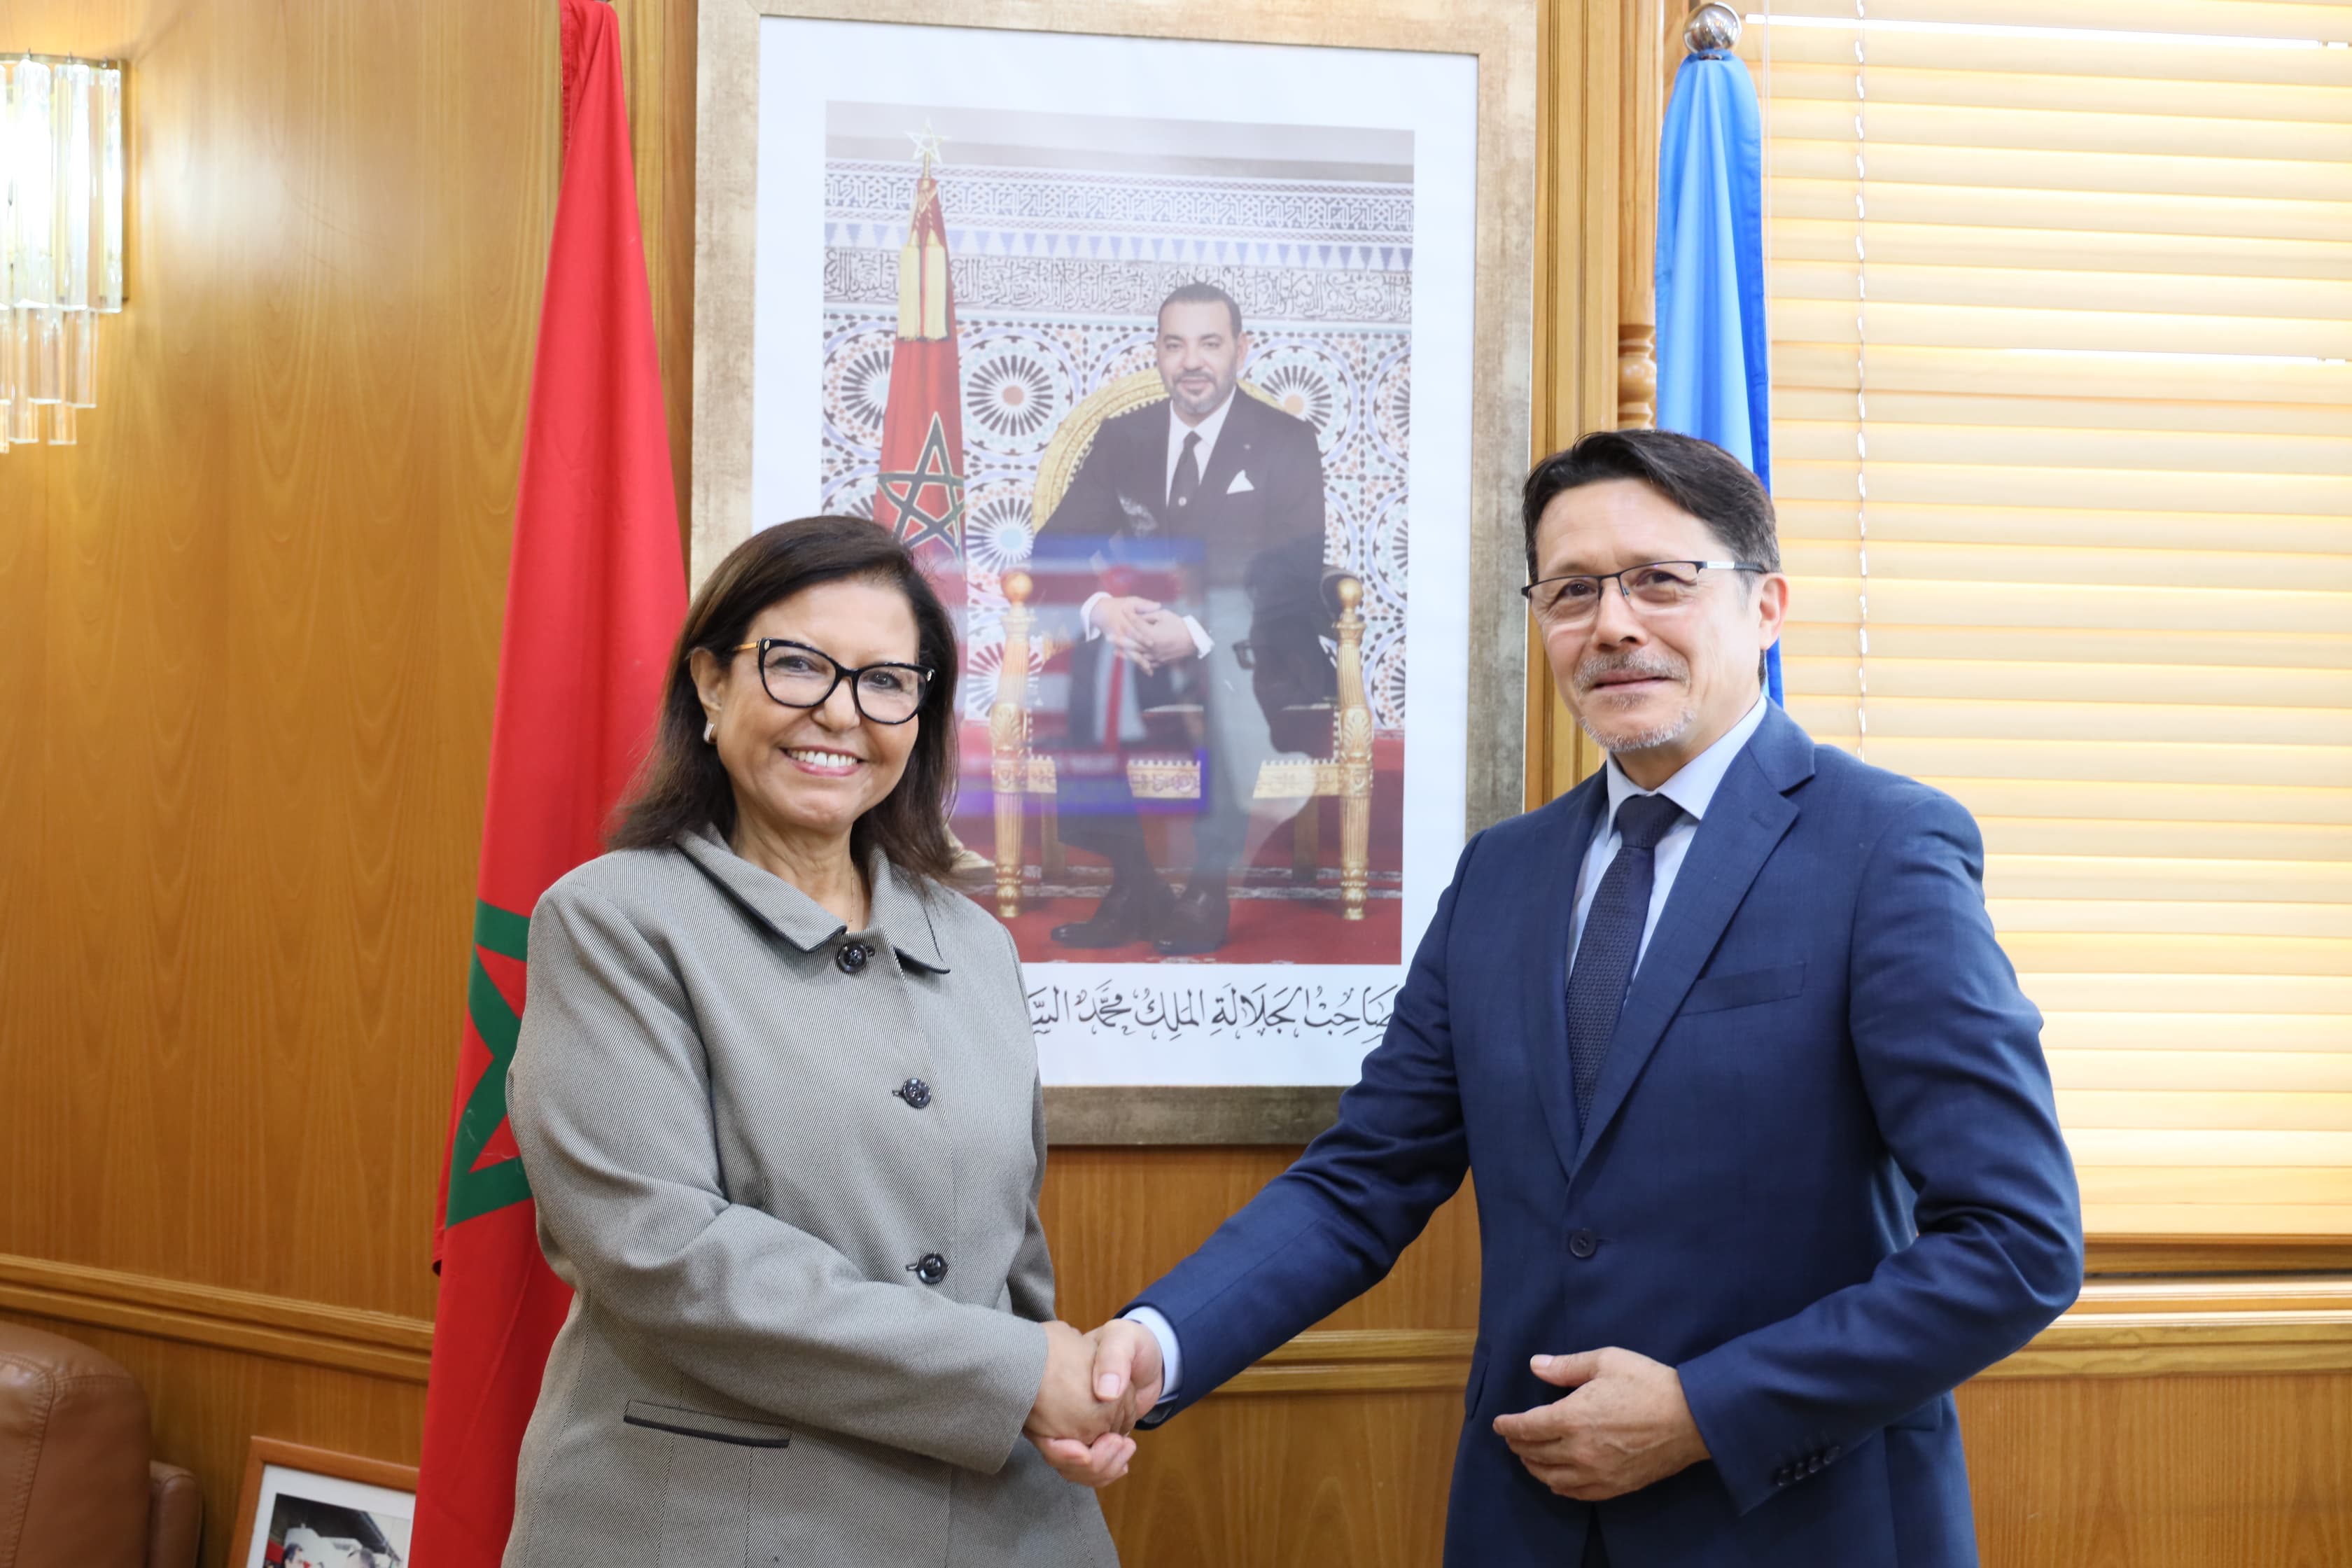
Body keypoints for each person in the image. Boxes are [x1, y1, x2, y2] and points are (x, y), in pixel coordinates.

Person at [1065, 430, 2085, 1565]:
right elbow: (1365, 1181)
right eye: (1572, 591)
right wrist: (1156, 1344)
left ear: (1766, 606)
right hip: (1528, 1527)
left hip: (1801, 1525)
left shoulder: (1884, 847)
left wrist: (1706, 1409)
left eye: (1659, 580)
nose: (1613, 624)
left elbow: (2017, 1242)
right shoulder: (1501, 875)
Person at [501, 518, 1138, 1567]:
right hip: (717, 1526)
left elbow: (1009, 1256)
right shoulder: (613, 920)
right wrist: (1013, 1374)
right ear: (710, 682)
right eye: (797, 665)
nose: (841, 712)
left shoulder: (973, 943)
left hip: (999, 1524)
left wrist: (1062, 1404)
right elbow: (663, 1252)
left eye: (886, 681)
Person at [1041, 281, 1328, 956]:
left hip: (1255, 642)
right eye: (1176, 345)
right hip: (1143, 640)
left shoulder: (1287, 440)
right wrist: (1105, 610)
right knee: (1084, 671)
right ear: (1158, 353)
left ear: (1241, 350)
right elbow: (1054, 548)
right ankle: (1134, 881)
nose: (1192, 361)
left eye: (1209, 343)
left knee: (1230, 679)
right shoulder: (1124, 439)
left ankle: (1206, 887)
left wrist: (1200, 633)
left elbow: (1294, 574)